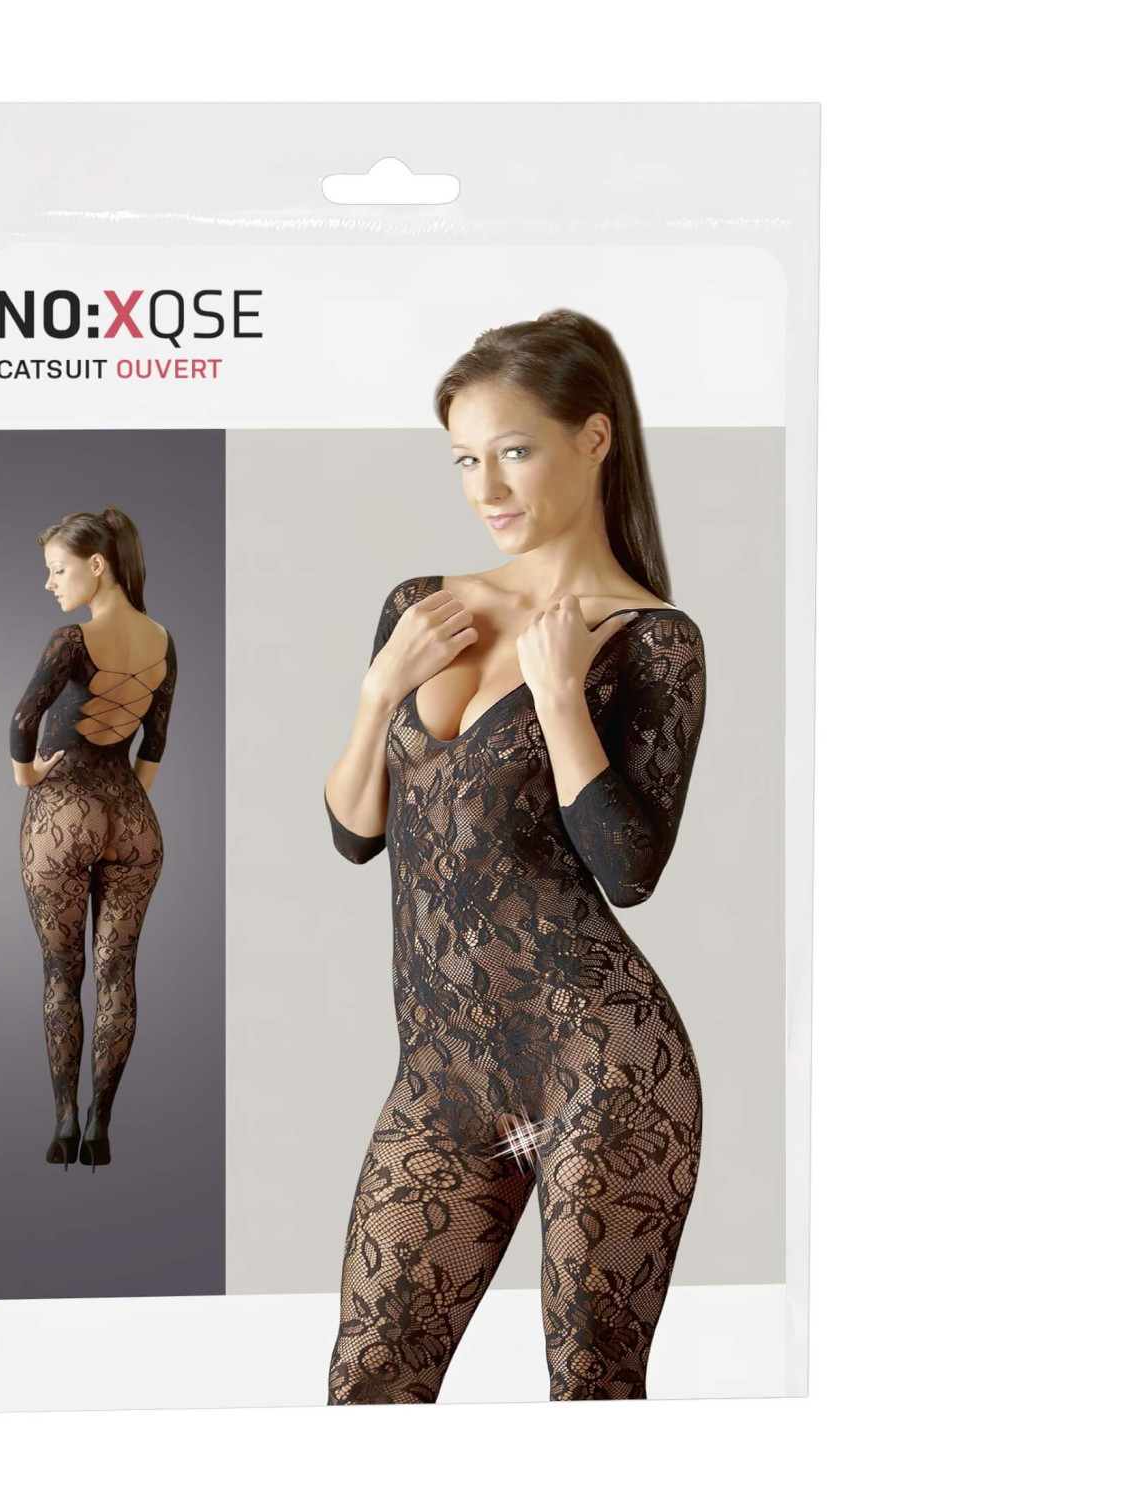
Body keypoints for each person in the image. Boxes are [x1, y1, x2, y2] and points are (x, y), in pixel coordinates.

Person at [322, 309, 707, 1401]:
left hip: (606, 1068)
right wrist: (377, 693)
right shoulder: (421, 609)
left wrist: (559, 696)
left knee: (590, 1389)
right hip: (443, 1077)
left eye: (514, 451)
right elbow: (355, 834)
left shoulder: (652, 641)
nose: (485, 487)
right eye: (464, 460)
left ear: (594, 438)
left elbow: (630, 870)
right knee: (368, 1385)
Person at [9, 506, 177, 1172]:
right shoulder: (163, 640)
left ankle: (64, 1124)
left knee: (62, 973)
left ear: (97, 565)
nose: (51, 583)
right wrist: (126, 799)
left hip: (64, 808)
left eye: (58, 569)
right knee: (117, 973)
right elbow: (154, 743)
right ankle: (102, 1127)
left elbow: (22, 719)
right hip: (132, 817)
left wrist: (26, 776)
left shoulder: (71, 639)